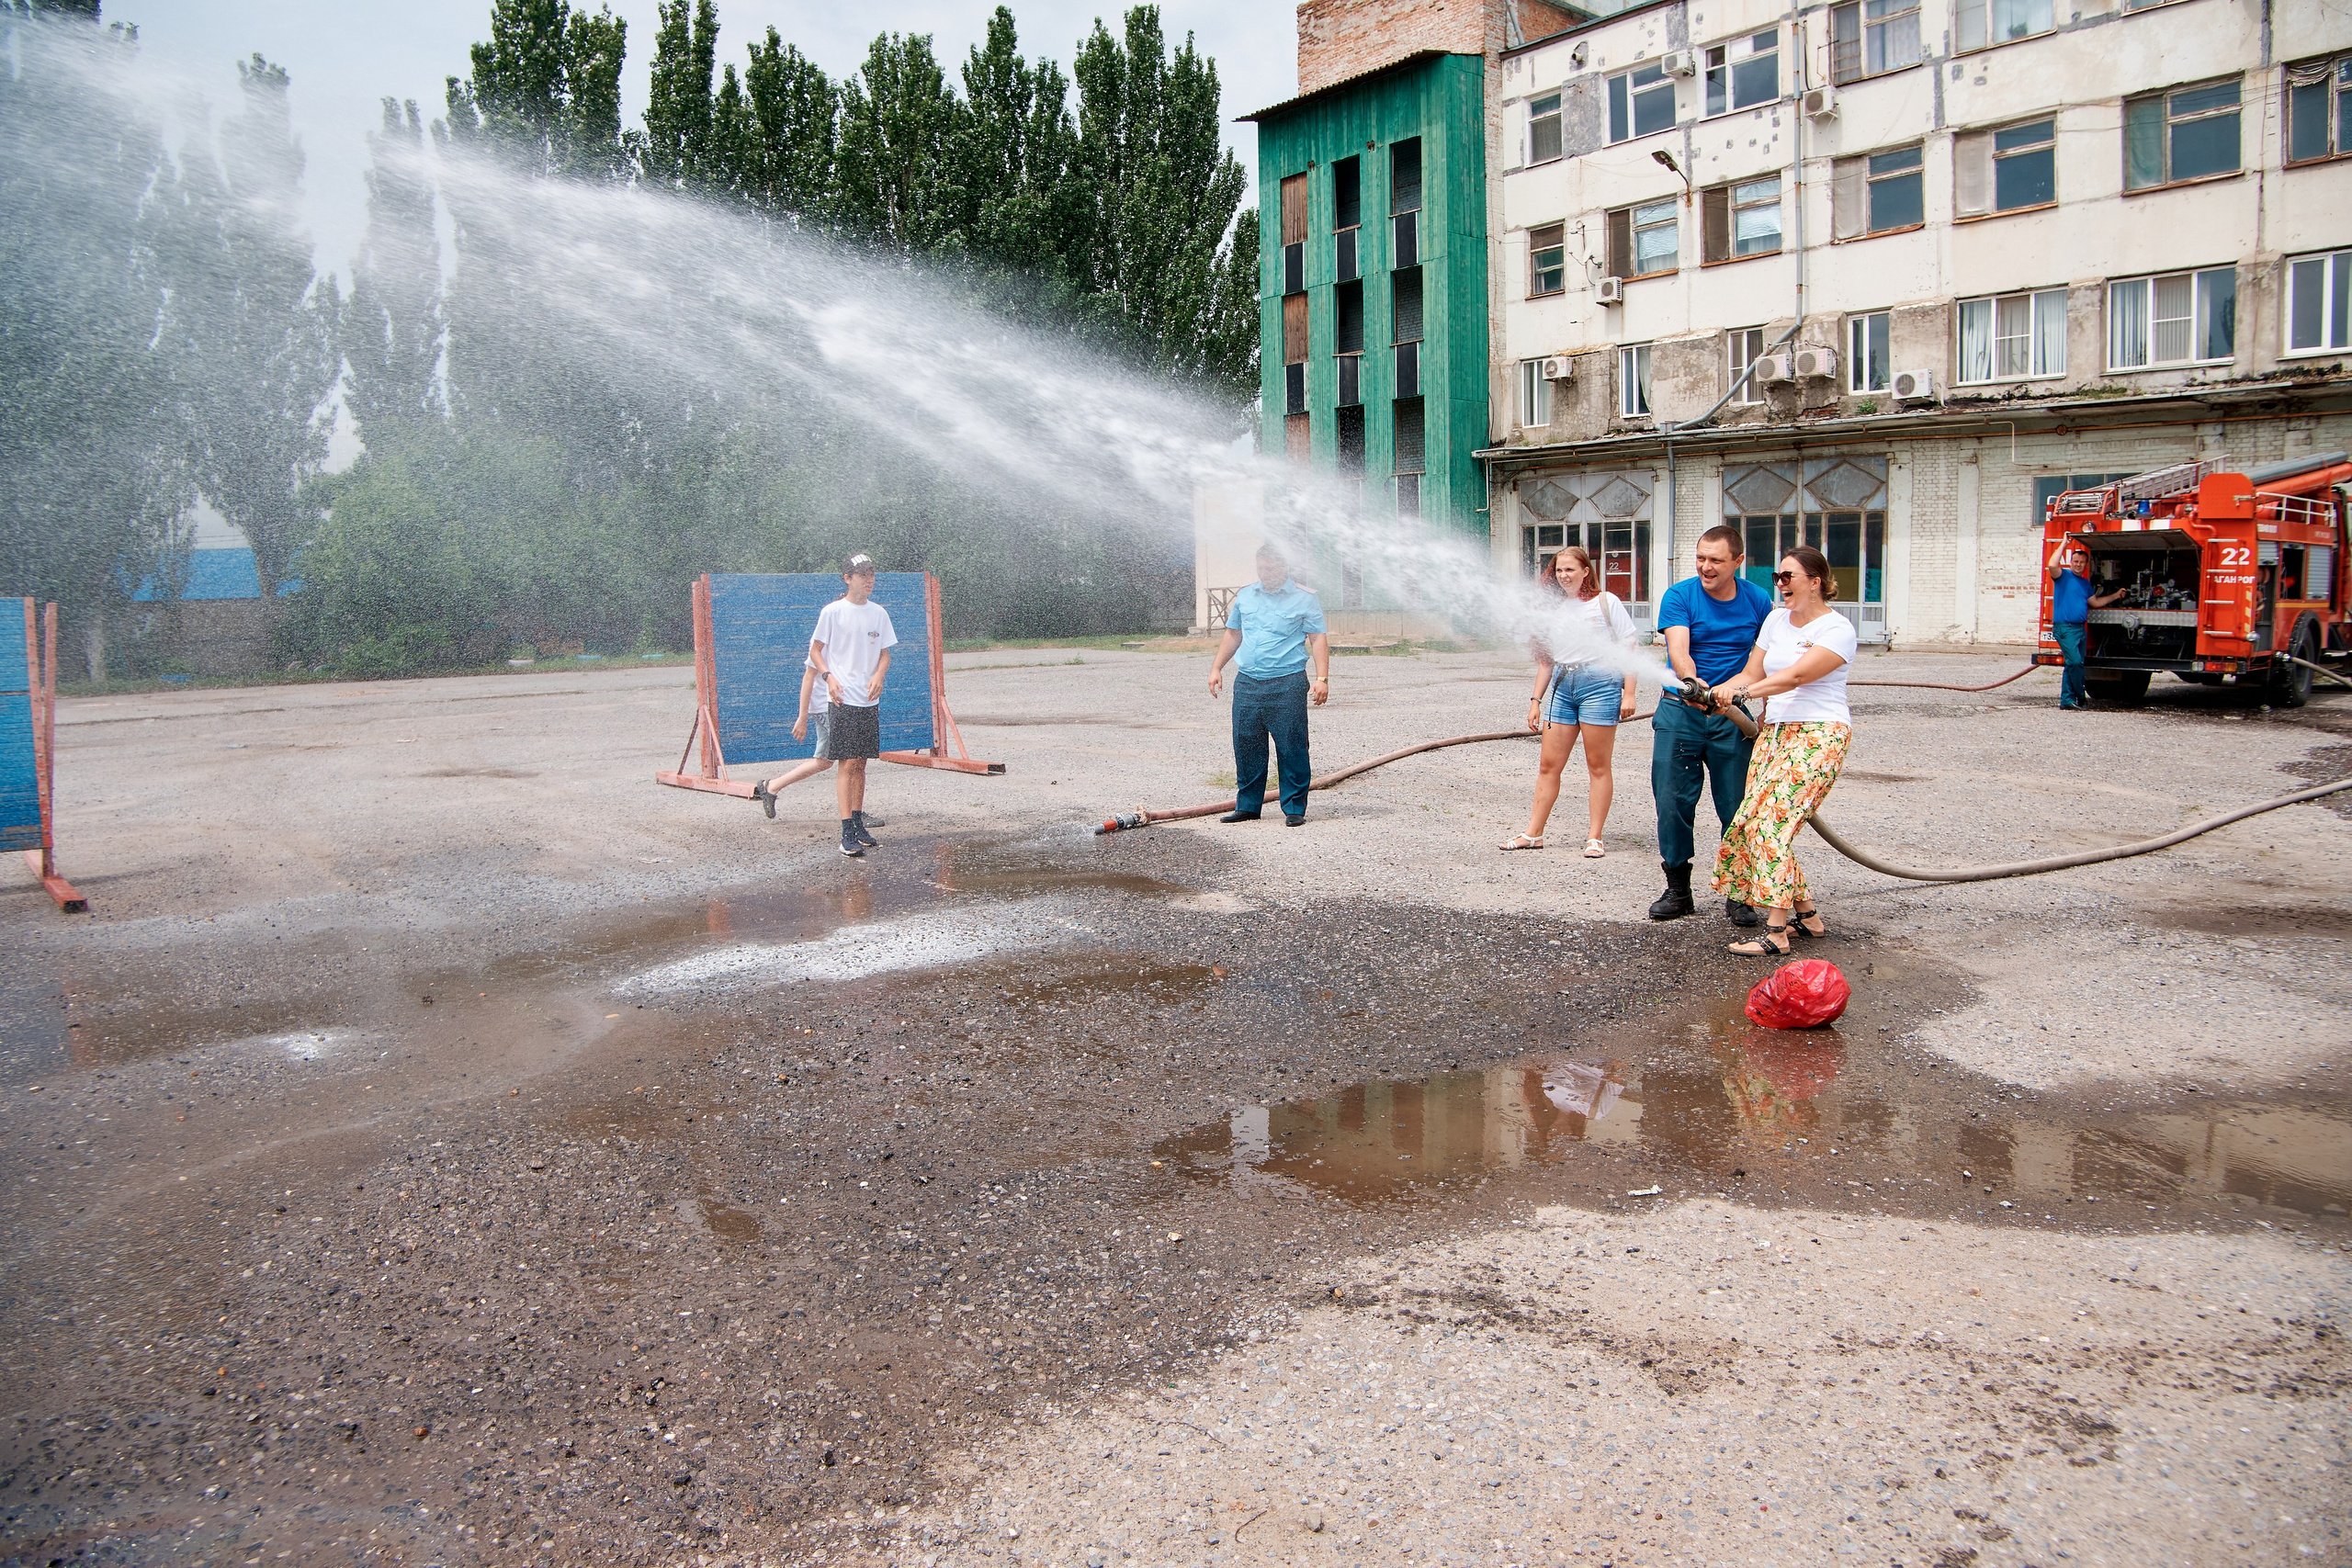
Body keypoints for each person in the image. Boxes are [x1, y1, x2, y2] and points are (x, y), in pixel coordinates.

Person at [1707, 545, 1859, 957]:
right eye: (1778, 577)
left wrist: (1742, 694)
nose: (1780, 584)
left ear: (1816, 582)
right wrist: (1718, 691)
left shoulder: (1837, 629)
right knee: (1753, 822)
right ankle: (1807, 917)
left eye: (1788, 577)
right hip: (1774, 734)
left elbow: (1796, 676)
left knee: (1772, 827)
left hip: (1819, 734)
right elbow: (1751, 673)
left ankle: (1776, 933)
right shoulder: (1775, 620)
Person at [1650, 525, 1775, 925]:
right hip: (1680, 712)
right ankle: (1678, 890)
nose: (1705, 567)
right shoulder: (1679, 596)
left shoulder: (1758, 600)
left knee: (1737, 806)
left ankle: (1739, 893)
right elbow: (1679, 651)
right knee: (1672, 801)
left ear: (1738, 561)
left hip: (1732, 717)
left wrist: (1764, 707)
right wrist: (1692, 682)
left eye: (1716, 560)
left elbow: (1766, 660)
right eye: (1700, 558)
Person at [752, 554, 895, 857]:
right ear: (847, 578)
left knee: (861, 762)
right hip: (842, 699)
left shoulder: (879, 613)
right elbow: (815, 652)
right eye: (862, 574)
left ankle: (858, 822)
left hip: (869, 700)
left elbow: (885, 654)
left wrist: (879, 676)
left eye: (871, 574)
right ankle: (846, 833)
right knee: (845, 763)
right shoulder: (832, 612)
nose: (869, 579)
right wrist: (829, 677)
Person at [1501, 546, 1638, 856]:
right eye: (1559, 570)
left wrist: (1629, 692)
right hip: (1562, 688)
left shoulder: (1606, 603)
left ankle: (1594, 837)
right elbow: (1546, 661)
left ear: (1585, 571)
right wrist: (1536, 700)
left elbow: (1629, 648)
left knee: (1597, 766)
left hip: (1600, 687)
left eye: (1570, 569)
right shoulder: (1552, 609)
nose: (1564, 576)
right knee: (1548, 765)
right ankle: (1533, 834)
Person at [1207, 542, 1329, 826]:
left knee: (1291, 746)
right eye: (1261, 568)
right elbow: (1233, 634)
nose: (1265, 573)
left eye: (1270, 569)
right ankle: (1248, 806)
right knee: (1246, 743)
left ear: (1284, 567)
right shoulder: (1246, 595)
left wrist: (1322, 678)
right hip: (1248, 682)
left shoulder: (1304, 598)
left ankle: (1294, 808)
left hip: (1287, 682)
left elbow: (1317, 638)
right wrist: (1216, 668)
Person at [2047, 537, 2123, 710]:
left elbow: (2095, 602)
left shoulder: (2085, 584)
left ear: (2086, 565)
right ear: (2071, 562)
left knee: (2073, 664)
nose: (2078, 564)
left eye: (2082, 562)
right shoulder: (2062, 576)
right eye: (2075, 561)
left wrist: (2116, 595)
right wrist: (2064, 544)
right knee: (2074, 662)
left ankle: (2067, 700)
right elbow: (2052, 565)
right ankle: (2081, 697)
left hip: (2080, 629)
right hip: (2065, 628)